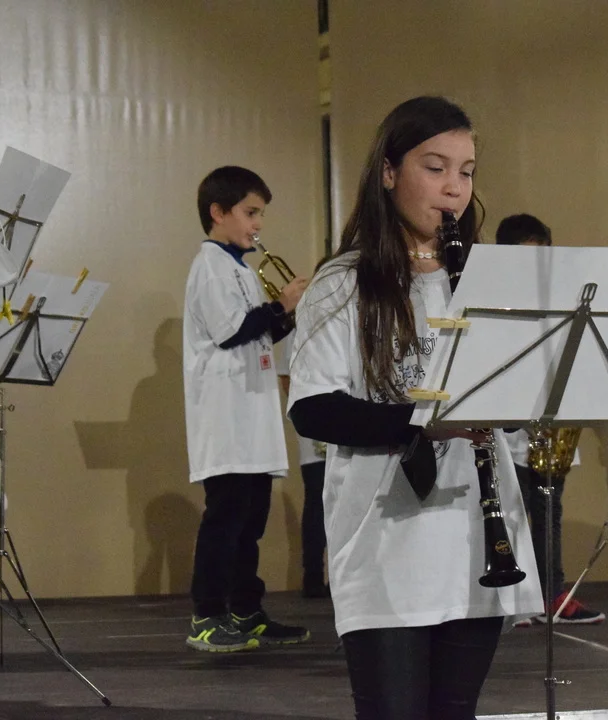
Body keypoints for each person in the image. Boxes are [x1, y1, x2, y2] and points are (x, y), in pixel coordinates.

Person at [288, 96, 542, 720]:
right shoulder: (343, 281)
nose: (455, 188)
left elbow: (510, 399)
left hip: (475, 537)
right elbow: (314, 410)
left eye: (467, 171)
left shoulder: (483, 279)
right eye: (435, 167)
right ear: (388, 172)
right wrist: (426, 421)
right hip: (386, 541)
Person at [183, 165, 311, 652]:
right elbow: (231, 331)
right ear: (218, 212)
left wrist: (288, 315)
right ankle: (207, 615)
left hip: (252, 412)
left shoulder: (239, 267)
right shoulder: (210, 266)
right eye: (250, 213)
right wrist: (281, 304)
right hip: (225, 415)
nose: (257, 224)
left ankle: (245, 609)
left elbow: (259, 332)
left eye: (260, 215)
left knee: (250, 521)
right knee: (226, 519)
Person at [495, 213, 604, 625]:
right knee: (510, 516)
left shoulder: (560, 301)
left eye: (542, 256)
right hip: (510, 431)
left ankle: (551, 594)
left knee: (548, 514)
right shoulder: (496, 302)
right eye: (526, 257)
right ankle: (513, 599)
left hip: (550, 429)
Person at [275, 259, 330, 600]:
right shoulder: (299, 324)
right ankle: (312, 575)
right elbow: (285, 377)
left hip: (347, 421)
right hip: (315, 426)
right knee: (317, 499)